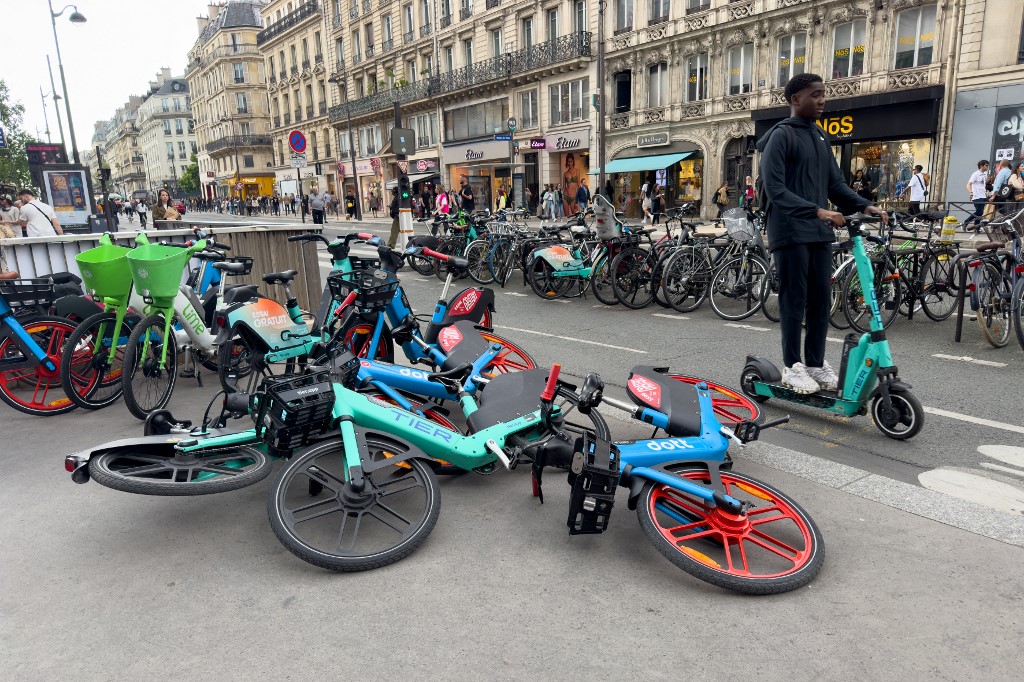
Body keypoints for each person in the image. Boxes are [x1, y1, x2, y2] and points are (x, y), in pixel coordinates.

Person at [757, 73, 887, 394]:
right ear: (795, 99)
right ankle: (792, 366)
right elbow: (775, 190)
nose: (822, 100)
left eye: (823, 94)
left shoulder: (820, 137)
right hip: (789, 229)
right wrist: (819, 211)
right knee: (794, 299)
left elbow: (836, 186)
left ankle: (815, 363)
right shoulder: (781, 137)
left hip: (818, 231)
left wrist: (865, 206)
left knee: (820, 299)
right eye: (815, 95)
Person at [964, 160, 991, 228]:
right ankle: (967, 222)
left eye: (988, 165)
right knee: (979, 212)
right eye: (986, 165)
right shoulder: (975, 174)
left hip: (983, 195)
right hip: (976, 196)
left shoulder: (985, 174)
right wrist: (971, 192)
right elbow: (968, 184)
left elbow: (983, 185)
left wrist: (986, 191)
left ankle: (976, 226)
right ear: (981, 166)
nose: (987, 167)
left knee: (980, 212)